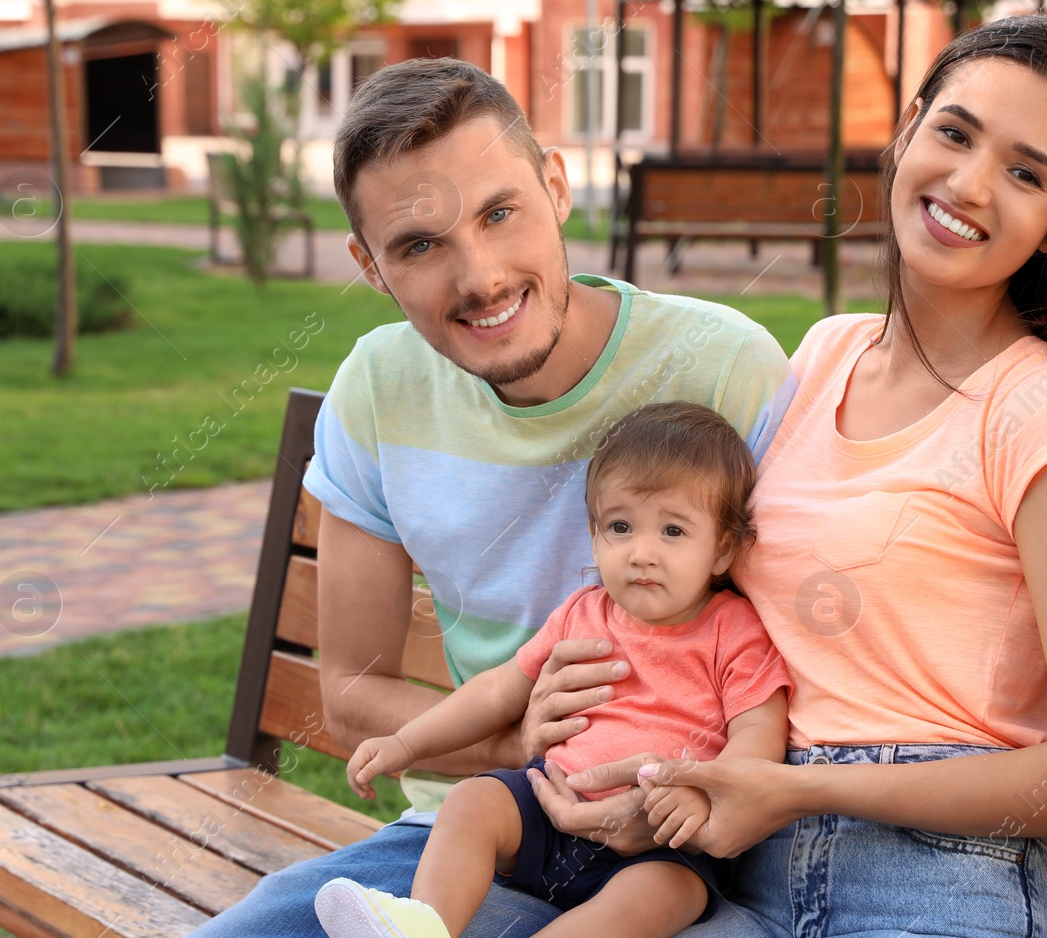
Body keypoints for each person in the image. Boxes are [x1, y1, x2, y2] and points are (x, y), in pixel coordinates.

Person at [535, 13, 1047, 938]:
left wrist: (794, 786)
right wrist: (661, 776)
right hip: (746, 877)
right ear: (908, 129)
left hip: (938, 890)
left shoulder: (1045, 415)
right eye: (954, 133)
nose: (968, 183)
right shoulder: (825, 354)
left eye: (1025, 173)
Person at [188, 59, 795, 938]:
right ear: (370, 266)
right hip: (482, 829)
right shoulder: (377, 387)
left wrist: (676, 788)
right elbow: (355, 688)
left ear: (556, 185)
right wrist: (517, 746)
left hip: (692, 854)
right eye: (420, 245)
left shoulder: (723, 370)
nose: (479, 277)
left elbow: (801, 673)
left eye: (499, 212)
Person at [314, 402, 791, 938]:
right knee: (473, 801)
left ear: (723, 549)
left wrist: (704, 790)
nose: (641, 552)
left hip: (659, 842)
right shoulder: (582, 613)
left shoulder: (733, 630)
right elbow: (498, 691)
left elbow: (759, 731)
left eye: (673, 531)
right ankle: (425, 926)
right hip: (545, 806)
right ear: (593, 537)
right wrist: (405, 744)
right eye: (620, 526)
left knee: (665, 896)